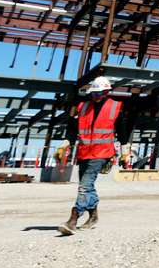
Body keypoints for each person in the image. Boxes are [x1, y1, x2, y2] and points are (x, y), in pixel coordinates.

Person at [57, 76, 132, 236]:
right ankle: (93, 216)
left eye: (99, 94)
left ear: (106, 92)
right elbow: (72, 128)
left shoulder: (114, 107)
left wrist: (125, 151)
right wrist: (66, 142)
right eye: (94, 94)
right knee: (87, 186)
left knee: (85, 185)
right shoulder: (83, 107)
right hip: (84, 152)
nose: (95, 97)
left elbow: (122, 131)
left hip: (102, 153)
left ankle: (73, 219)